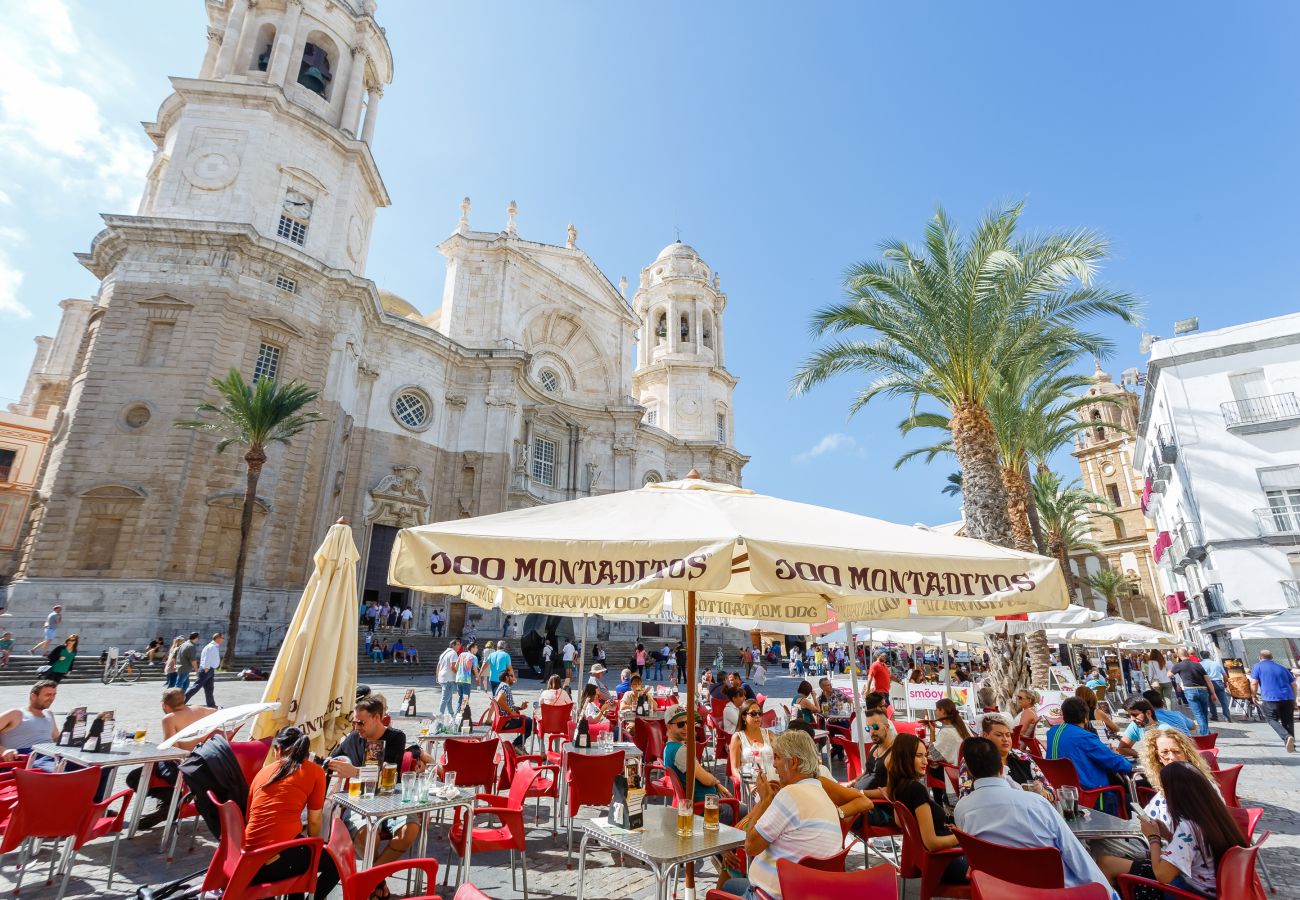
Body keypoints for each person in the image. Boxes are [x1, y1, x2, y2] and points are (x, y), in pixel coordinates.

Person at [954, 736, 1114, 893]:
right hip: (1054, 892)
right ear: (1002, 769)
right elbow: (1074, 853)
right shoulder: (1037, 803)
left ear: (968, 770)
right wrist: (1108, 893)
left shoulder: (962, 809)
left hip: (997, 891)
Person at [720, 730, 842, 900]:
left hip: (774, 894)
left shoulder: (791, 794)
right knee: (731, 883)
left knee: (725, 887)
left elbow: (750, 846)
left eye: (777, 757)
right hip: (811, 891)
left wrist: (764, 800)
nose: (774, 765)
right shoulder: (823, 795)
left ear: (793, 762)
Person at [1098, 761, 1247, 895]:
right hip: (1210, 887)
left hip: (1186, 892)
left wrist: (1154, 838)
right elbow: (1194, 849)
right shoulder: (1214, 816)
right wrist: (1168, 835)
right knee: (1106, 862)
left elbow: (1162, 875)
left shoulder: (1188, 827)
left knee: (1107, 865)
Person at [325, 697, 422, 872]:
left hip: (391, 799)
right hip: (359, 801)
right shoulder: (353, 738)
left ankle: (369, 879)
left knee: (410, 829)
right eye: (354, 722)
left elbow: (388, 774)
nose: (356, 727)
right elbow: (332, 759)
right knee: (366, 835)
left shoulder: (396, 737)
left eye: (361, 723)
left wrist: (354, 772)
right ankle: (376, 883)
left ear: (377, 718)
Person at [243, 727, 338, 899]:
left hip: (248, 860)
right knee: (336, 863)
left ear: (277, 749)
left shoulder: (262, 773)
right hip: (275, 859)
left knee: (299, 853)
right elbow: (315, 821)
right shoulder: (315, 771)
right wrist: (314, 847)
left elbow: (249, 818)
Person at [128, 687, 219, 827]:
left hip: (181, 766)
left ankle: (174, 800)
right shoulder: (200, 709)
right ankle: (170, 804)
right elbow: (217, 711)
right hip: (201, 762)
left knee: (134, 777)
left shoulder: (169, 718)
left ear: (164, 705)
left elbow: (171, 749)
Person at [887, 733, 965, 882]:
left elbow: (899, 822)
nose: (925, 761)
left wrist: (937, 826)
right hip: (944, 862)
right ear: (905, 757)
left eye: (926, 755)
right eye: (918, 756)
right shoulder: (915, 789)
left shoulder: (898, 786)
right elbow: (931, 843)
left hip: (932, 861)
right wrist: (961, 837)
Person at [1045, 697, 1133, 816]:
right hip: (1091, 796)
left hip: (1060, 793)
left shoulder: (1053, 732)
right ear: (1085, 717)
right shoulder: (1084, 737)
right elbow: (1121, 765)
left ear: (1064, 715)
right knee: (1129, 799)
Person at [957, 712, 1054, 800]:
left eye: (1008, 735)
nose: (1005, 739)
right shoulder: (973, 760)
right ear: (985, 735)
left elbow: (1050, 790)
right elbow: (965, 795)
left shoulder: (1022, 757)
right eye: (999, 735)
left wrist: (1042, 792)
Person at [1135, 728, 1219, 827]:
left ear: (1186, 754)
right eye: (1165, 752)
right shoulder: (1170, 783)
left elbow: (1189, 834)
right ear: (1157, 757)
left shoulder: (1193, 784)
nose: (1172, 757)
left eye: (1176, 751)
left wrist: (1154, 837)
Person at [663, 705, 733, 809]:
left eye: (688, 723)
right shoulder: (680, 751)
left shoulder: (669, 748)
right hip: (706, 808)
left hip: (705, 803)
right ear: (669, 727)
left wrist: (716, 784)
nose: (686, 727)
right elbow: (707, 780)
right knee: (747, 813)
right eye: (681, 724)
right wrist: (717, 782)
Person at [1250, 648, 1297, 752]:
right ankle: (1291, 746)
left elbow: (1254, 683)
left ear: (1260, 657)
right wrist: (1294, 699)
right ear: (1272, 658)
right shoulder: (1282, 667)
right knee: (1288, 720)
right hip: (1287, 697)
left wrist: (1253, 695)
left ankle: (1286, 737)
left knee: (1271, 719)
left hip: (1270, 697)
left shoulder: (1257, 666)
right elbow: (1293, 684)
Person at [0, 680, 60, 762]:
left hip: (51, 754)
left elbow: (56, 738)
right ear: (33, 696)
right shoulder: (15, 714)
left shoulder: (49, 714)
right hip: (26, 758)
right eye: (48, 695)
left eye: (54, 695)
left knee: (81, 765)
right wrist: (3, 750)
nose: (52, 698)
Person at [1171, 648, 1219, 737]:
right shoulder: (1198, 665)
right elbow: (1208, 680)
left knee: (1198, 714)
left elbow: (1169, 674)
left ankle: (1205, 734)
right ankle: (1206, 732)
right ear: (1188, 655)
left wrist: (1177, 665)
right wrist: (1213, 693)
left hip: (1190, 690)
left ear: (1179, 656)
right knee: (1204, 712)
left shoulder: (1179, 665)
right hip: (1203, 689)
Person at [729, 699, 776, 781]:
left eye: (759, 713)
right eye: (753, 714)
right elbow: (735, 769)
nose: (757, 716)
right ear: (744, 717)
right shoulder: (737, 737)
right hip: (750, 782)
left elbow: (781, 757)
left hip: (773, 780)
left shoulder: (769, 734)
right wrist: (745, 783)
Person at [492, 666, 533, 748]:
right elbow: (500, 700)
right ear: (507, 677)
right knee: (531, 723)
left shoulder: (501, 686)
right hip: (507, 721)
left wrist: (520, 708)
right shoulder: (505, 687)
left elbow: (506, 704)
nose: (513, 678)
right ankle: (516, 745)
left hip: (504, 720)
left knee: (528, 721)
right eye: (511, 676)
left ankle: (518, 745)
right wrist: (511, 712)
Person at [924, 697, 970, 765]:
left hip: (953, 771)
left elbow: (934, 755)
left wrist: (932, 732)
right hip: (967, 767)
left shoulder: (946, 732)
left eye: (936, 710)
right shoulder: (964, 726)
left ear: (942, 711)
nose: (935, 712)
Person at [185, 632, 223, 708]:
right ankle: (181, 701)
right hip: (206, 669)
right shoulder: (211, 647)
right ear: (218, 638)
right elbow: (207, 658)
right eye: (222, 638)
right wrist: (206, 668)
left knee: (209, 688)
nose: (223, 640)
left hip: (210, 669)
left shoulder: (214, 646)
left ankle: (211, 704)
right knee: (196, 687)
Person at [1200, 653, 1232, 723]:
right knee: (1223, 701)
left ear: (1201, 656)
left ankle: (1214, 715)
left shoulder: (1200, 664)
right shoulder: (1216, 664)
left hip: (1208, 683)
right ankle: (1227, 717)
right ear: (1209, 656)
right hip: (1218, 682)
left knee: (1211, 700)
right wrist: (1225, 683)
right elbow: (1224, 674)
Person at [436, 638, 462, 717]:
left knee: (448, 699)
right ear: (453, 645)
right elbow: (453, 666)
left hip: (442, 677)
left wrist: (437, 676)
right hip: (448, 679)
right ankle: (439, 717)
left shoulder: (444, 653)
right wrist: (459, 674)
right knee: (445, 699)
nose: (459, 646)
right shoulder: (453, 653)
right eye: (457, 644)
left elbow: (438, 666)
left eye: (459, 644)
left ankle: (451, 715)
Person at [454, 641, 478, 709]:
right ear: (472, 648)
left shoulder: (461, 654)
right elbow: (475, 669)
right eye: (476, 648)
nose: (477, 649)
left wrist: (459, 672)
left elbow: (456, 666)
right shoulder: (473, 657)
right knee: (465, 699)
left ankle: (457, 716)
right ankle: (461, 717)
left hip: (458, 678)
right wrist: (478, 677)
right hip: (466, 680)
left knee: (460, 698)